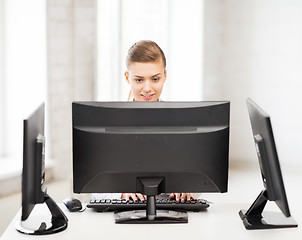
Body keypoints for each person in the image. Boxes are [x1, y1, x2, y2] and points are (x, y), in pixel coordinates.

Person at [122, 40, 197, 203]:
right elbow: (94, 189)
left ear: (165, 76)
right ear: (128, 78)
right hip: (127, 208)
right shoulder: (111, 122)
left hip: (169, 209)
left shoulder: (179, 122)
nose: (148, 88)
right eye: (139, 80)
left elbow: (198, 176)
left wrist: (185, 187)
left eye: (155, 79)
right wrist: (119, 193)